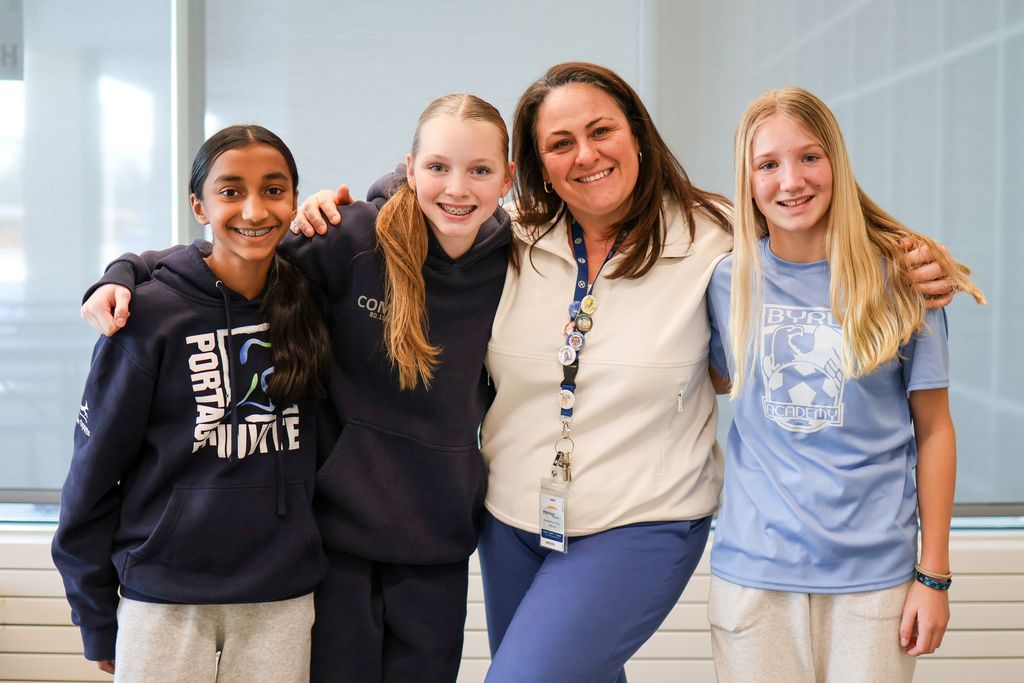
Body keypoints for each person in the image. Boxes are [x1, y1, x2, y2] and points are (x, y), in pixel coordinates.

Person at [289, 63, 963, 683]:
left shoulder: (717, 234)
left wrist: (906, 254)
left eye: (601, 130)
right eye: (560, 143)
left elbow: (811, 222)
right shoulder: (509, 235)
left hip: (643, 520)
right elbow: (441, 188)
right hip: (514, 519)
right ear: (534, 168)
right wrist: (335, 203)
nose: (585, 154)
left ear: (637, 133)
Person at [78, 94, 514, 683]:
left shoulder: (516, 261)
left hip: (436, 532)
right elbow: (235, 253)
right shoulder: (351, 237)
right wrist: (126, 269)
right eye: (438, 166)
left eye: (480, 170)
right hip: (332, 536)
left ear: (508, 177)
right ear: (409, 167)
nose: (457, 187)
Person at [704, 87, 984, 682]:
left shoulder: (906, 280)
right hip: (753, 577)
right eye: (768, 164)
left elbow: (935, 431)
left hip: (874, 583)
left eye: (809, 157)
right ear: (748, 181)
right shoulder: (726, 282)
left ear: (836, 162)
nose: (791, 181)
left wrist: (933, 575)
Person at [52, 125, 332, 681]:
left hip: (282, 594)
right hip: (164, 596)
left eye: (274, 190)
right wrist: (95, 615)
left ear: (295, 200)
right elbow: (90, 480)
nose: (254, 208)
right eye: (230, 191)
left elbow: (408, 197)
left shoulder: (314, 295)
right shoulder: (145, 318)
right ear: (198, 205)